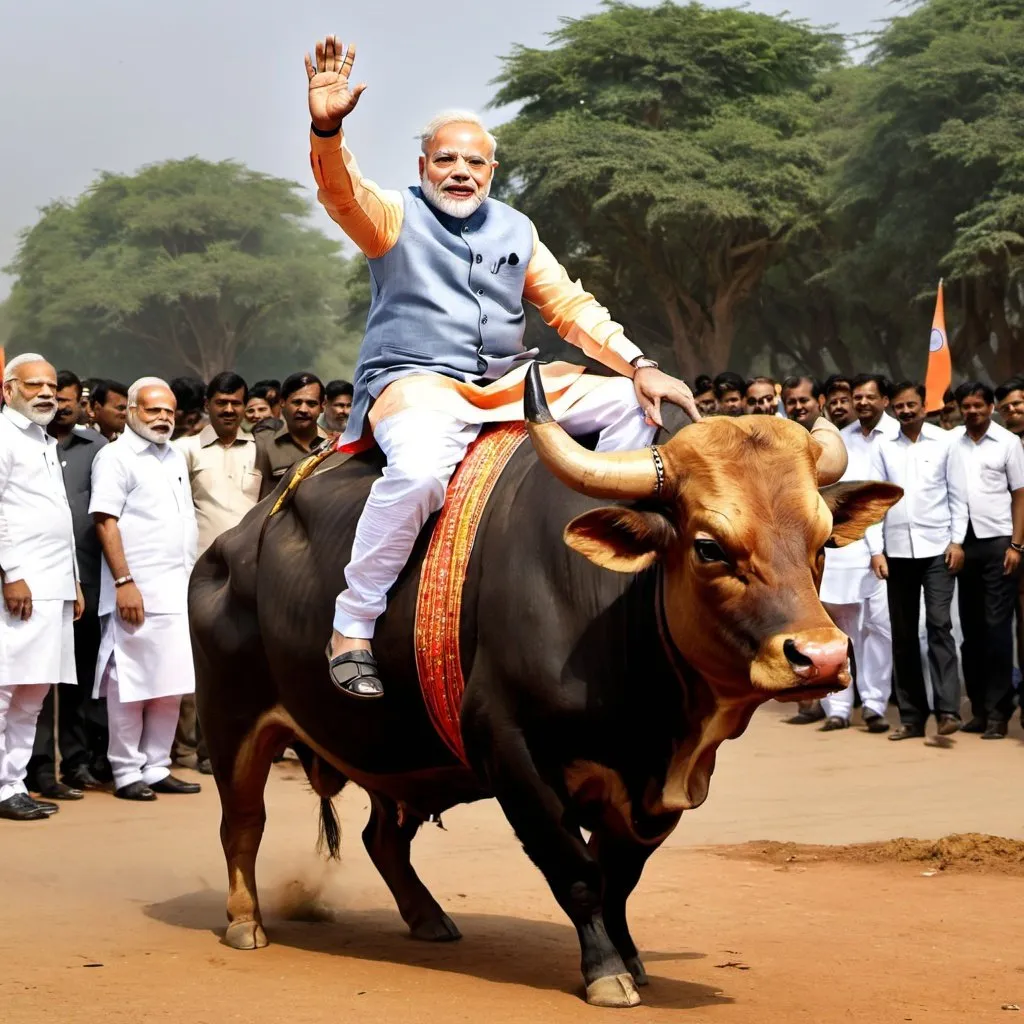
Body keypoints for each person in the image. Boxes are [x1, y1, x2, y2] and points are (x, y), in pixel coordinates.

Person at [306, 34, 698, 697]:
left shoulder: (517, 228)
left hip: (512, 385)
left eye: (475, 163)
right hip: (419, 385)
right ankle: (352, 625)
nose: (461, 172)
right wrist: (326, 128)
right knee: (422, 472)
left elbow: (570, 308)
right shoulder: (392, 216)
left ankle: (590, 557)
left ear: (492, 171)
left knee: (638, 407)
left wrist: (640, 365)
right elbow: (341, 193)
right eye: (447, 160)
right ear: (424, 164)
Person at [90, 377, 201, 800]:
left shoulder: (173, 455)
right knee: (129, 684)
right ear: (133, 411)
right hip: (135, 589)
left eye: (169, 411)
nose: (162, 418)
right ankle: (125, 770)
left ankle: (156, 766)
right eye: (153, 410)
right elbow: (105, 520)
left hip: (177, 589)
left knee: (170, 682)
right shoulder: (115, 457)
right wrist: (124, 582)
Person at [0, 354, 84, 821]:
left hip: (53, 584)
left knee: (33, 692)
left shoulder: (43, 440)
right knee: (5, 688)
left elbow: (58, 518)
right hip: (19, 583)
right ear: (9, 389)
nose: (46, 393)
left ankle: (12, 783)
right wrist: (11, 572)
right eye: (34, 385)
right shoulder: (3, 435)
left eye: (51, 385)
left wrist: (72, 578)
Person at [26, 371, 110, 798]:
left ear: (82, 403)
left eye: (68, 399)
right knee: (35, 682)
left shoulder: (97, 449)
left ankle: (76, 763)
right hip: (35, 584)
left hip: (87, 583)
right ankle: (37, 768)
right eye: (53, 398)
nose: (60, 405)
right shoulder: (24, 443)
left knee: (78, 680)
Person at [869, 382, 964, 740]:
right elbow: (876, 504)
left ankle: (948, 711)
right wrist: (875, 550)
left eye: (912, 405)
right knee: (904, 634)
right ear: (892, 409)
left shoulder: (946, 442)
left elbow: (958, 495)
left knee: (940, 625)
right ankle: (911, 717)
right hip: (896, 553)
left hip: (939, 549)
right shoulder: (883, 446)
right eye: (899, 406)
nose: (906, 411)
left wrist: (957, 541)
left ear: (925, 406)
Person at [175, 372, 259, 774]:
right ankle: (184, 748)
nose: (229, 410)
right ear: (207, 404)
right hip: (197, 573)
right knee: (196, 661)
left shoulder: (260, 451)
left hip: (248, 574)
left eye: (236, 403)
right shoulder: (183, 451)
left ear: (246, 405)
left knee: (241, 661)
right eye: (221, 402)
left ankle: (226, 749)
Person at [817, 373, 900, 734]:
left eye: (853, 398)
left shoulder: (892, 436)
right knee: (837, 628)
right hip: (835, 550)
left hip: (874, 550)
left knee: (876, 628)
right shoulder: (836, 442)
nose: (848, 404)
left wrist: (876, 549)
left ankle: (875, 703)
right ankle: (836, 706)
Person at [948, 381, 1024, 738]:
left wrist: (1016, 545)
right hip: (966, 545)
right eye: (966, 406)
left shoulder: (1008, 444)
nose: (972, 411)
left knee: (997, 630)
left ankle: (999, 712)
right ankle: (978, 709)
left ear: (990, 407)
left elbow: (1020, 496)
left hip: (999, 544)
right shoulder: (954, 444)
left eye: (978, 405)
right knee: (971, 630)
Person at [780, 375, 844, 725]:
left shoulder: (835, 442)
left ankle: (852, 707)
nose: (798, 406)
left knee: (854, 629)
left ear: (819, 401)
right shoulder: (774, 440)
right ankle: (815, 704)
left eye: (804, 400)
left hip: (834, 544)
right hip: (788, 557)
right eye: (792, 402)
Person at [254, 372, 328, 500]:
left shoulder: (334, 445)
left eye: (311, 404)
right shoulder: (263, 443)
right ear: (282, 402)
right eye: (297, 402)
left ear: (322, 406)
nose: (303, 410)